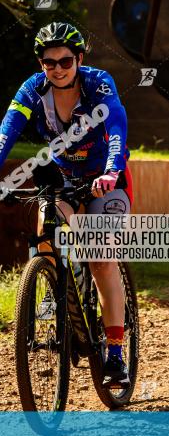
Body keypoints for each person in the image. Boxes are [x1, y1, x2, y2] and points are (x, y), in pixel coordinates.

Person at [0, 22, 132, 386]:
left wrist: (109, 170)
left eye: (65, 60)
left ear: (79, 59)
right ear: (41, 63)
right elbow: (6, 133)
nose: (57, 68)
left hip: (107, 177)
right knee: (46, 236)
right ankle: (56, 297)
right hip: (64, 178)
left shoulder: (98, 84)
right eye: (48, 62)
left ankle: (116, 352)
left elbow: (117, 125)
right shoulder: (32, 90)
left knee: (101, 256)